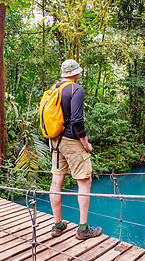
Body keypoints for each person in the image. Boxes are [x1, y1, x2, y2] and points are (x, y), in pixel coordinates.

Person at [49, 59, 102, 240]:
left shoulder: (54, 89)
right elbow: (77, 120)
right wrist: (85, 143)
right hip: (71, 141)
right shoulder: (76, 89)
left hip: (54, 140)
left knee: (56, 182)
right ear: (75, 73)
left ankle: (57, 226)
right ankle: (83, 229)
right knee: (84, 182)